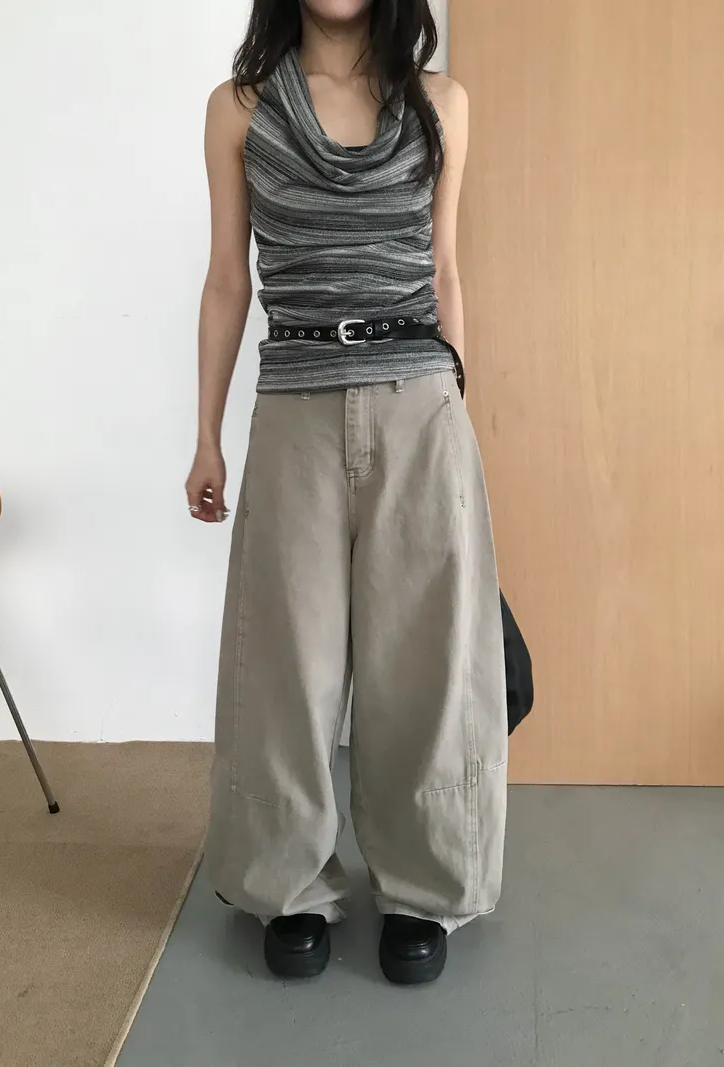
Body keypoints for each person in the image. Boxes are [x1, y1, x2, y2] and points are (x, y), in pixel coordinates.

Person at [186, 0, 508, 985]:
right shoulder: (240, 107)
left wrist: (453, 406)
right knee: (285, 661)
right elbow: (227, 280)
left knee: (426, 659)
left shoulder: (440, 102)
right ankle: (286, 883)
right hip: (293, 405)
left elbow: (443, 266)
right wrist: (205, 435)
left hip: (418, 400)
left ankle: (425, 887)